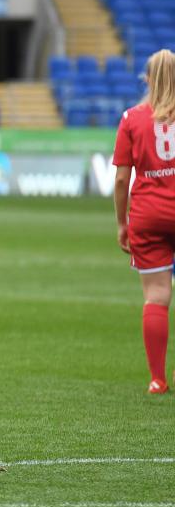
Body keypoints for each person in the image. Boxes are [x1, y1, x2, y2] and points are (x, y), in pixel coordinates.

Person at [113, 48, 175, 394]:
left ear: (148, 79)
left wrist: (122, 223)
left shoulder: (131, 119)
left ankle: (158, 379)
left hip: (148, 215)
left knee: (156, 295)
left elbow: (122, 179)